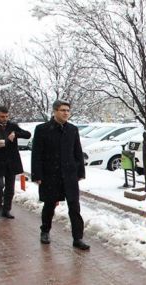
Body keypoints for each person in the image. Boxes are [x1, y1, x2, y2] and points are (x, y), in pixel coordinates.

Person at [31, 100, 89, 250]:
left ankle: (78, 238)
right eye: (62, 110)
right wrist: (37, 174)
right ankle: (45, 231)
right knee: (50, 205)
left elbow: (78, 152)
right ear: (55, 111)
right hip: (51, 174)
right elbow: (37, 154)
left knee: (74, 206)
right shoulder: (42, 129)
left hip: (69, 174)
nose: (66, 113)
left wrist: (80, 171)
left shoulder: (72, 129)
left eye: (68, 110)